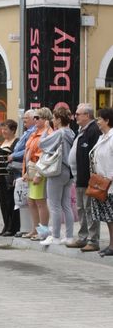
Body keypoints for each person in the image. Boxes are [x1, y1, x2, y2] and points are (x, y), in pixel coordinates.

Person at [66, 103, 102, 251]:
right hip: (79, 177)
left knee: (90, 209)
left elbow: (95, 155)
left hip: (88, 178)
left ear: (87, 115)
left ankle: (93, 240)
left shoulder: (94, 131)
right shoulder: (82, 130)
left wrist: (93, 177)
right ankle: (83, 237)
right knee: (81, 208)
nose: (75, 117)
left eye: (78, 114)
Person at [38, 107, 76, 245]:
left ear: (59, 120)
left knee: (54, 205)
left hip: (57, 171)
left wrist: (46, 131)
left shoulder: (59, 133)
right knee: (66, 205)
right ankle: (69, 236)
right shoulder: (71, 132)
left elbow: (41, 144)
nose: (52, 121)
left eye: (54, 118)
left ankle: (55, 236)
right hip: (69, 171)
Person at [22, 107, 52, 241]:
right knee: (31, 201)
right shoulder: (35, 132)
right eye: (34, 118)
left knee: (40, 202)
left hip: (39, 169)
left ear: (45, 119)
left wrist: (39, 174)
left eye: (37, 118)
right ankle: (34, 229)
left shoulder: (47, 133)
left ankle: (43, 231)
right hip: (31, 168)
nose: (35, 120)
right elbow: (27, 151)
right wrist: (25, 171)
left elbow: (45, 155)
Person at [88, 107, 113, 257]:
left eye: (100, 119)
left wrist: (109, 178)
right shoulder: (102, 137)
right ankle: (111, 244)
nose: (97, 122)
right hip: (101, 183)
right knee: (108, 218)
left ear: (107, 120)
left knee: (112, 216)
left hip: (109, 184)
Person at [0, 119, 20, 237]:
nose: (3, 131)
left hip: (8, 176)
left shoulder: (16, 142)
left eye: (6, 129)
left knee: (10, 202)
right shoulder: (5, 141)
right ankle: (6, 225)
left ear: (13, 130)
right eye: (2, 129)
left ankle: (12, 227)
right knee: (3, 202)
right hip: (0, 176)